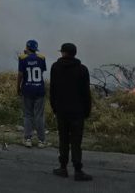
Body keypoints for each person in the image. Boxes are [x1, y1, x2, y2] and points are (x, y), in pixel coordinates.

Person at [49, 42, 93, 181]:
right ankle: (78, 170)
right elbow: (86, 93)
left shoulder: (55, 67)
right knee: (76, 141)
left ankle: (63, 168)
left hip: (61, 111)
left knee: (63, 139)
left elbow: (53, 90)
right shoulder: (82, 70)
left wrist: (55, 108)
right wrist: (87, 111)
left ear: (63, 53)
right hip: (78, 112)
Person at [17, 39, 47, 148]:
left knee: (28, 115)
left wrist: (18, 88)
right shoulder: (42, 58)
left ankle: (28, 139)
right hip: (39, 90)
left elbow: (20, 75)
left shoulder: (22, 58)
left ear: (27, 47)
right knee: (39, 116)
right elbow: (42, 71)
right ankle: (41, 141)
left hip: (27, 90)